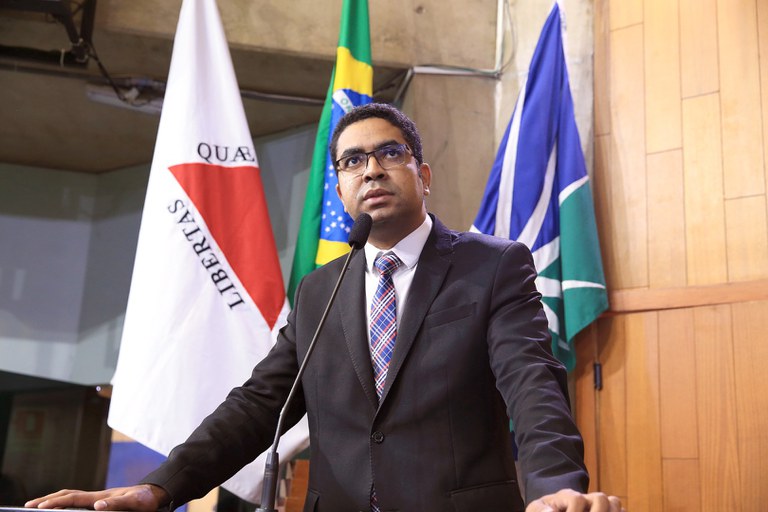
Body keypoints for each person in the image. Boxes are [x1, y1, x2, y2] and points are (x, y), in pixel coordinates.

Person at [26, 104, 622, 512]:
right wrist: (159, 489)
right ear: (340, 190)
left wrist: (554, 487)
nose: (372, 169)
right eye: (352, 161)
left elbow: (532, 384)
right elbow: (260, 405)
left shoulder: (492, 265)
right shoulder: (320, 290)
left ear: (423, 174)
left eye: (389, 153)